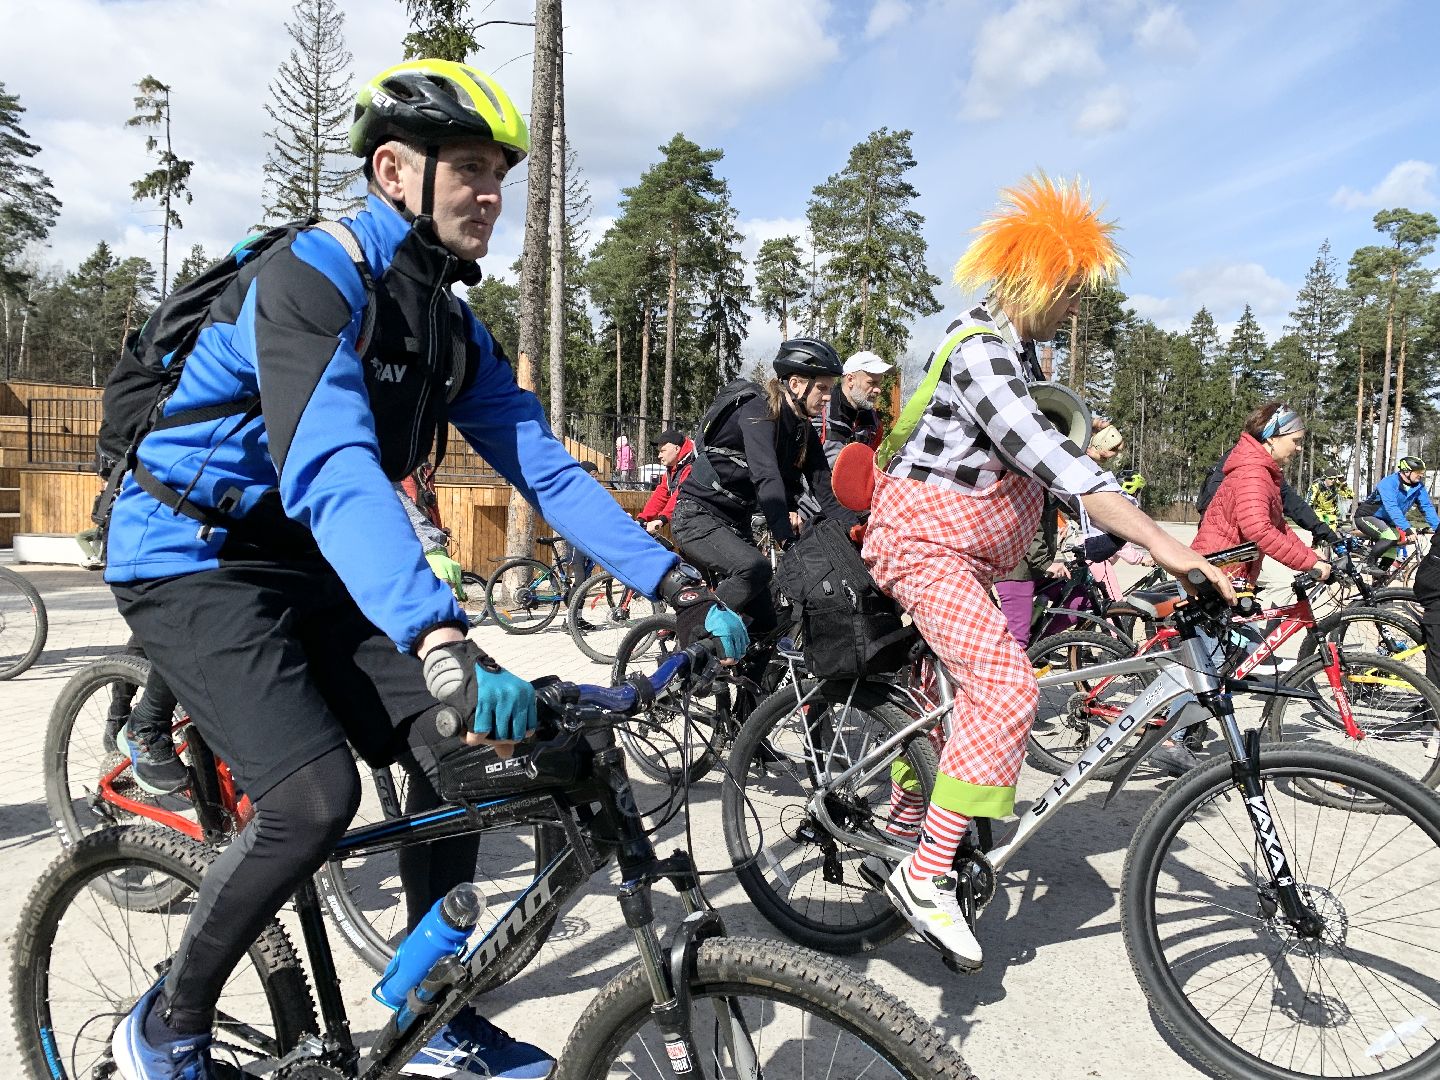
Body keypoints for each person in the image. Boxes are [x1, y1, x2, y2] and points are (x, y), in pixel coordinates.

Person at [102, 58, 745, 1080]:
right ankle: (164, 1026)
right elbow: (333, 465)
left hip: (308, 557)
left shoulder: (448, 326)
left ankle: (436, 1014)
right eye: (471, 168)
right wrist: (435, 629)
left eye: (501, 172)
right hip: (193, 551)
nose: (491, 192)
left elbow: (544, 468)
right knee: (313, 800)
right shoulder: (314, 277)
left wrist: (676, 586)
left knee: (469, 759)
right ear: (395, 169)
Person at [860, 174, 1233, 971]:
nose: (1074, 309)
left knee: (942, 693)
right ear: (1039, 278)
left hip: (970, 555)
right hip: (926, 547)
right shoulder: (982, 350)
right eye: (1070, 294)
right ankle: (926, 877)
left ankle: (900, 816)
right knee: (1006, 690)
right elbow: (1051, 456)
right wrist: (1165, 544)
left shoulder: (1020, 354)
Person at [671, 339, 850, 640]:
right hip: (697, 516)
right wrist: (785, 537)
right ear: (796, 384)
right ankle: (693, 642)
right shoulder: (758, 411)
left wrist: (857, 528)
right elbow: (766, 477)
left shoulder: (802, 429)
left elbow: (823, 486)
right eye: (822, 388)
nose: (828, 397)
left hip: (734, 523)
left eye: (830, 389)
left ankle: (748, 687)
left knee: (766, 628)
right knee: (754, 569)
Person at [1355, 456, 1437, 571]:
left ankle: (1378, 582)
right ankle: (1368, 565)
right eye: (1418, 472)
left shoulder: (1418, 487)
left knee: (1392, 551)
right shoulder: (1389, 483)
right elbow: (1392, 508)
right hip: (1367, 517)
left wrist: (1438, 527)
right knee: (1390, 537)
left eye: (1422, 472)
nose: (1421, 475)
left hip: (1388, 522)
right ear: (1406, 471)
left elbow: (1427, 507)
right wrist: (1407, 529)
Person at [814, 350, 891, 465]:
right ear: (850, 380)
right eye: (872, 383)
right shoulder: (818, 412)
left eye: (879, 383)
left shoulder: (875, 425)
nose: (878, 390)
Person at [637, 428, 694, 535]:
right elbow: (661, 494)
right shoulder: (672, 468)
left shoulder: (692, 465)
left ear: (677, 449)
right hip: (687, 519)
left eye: (663, 451)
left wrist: (662, 519)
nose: (659, 456)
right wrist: (643, 518)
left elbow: (681, 493)